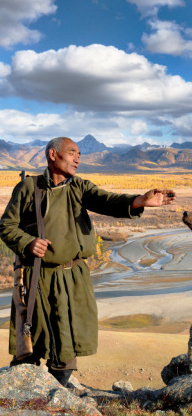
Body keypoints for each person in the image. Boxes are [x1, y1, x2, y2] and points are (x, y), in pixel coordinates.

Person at [0, 137, 176, 387]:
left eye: (79, 154)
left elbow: (108, 201)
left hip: (73, 278)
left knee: (66, 343)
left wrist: (139, 201)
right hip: (36, 276)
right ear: (53, 155)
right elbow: (6, 225)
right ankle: (25, 397)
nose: (78, 159)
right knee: (31, 343)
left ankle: (57, 395)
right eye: (72, 153)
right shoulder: (29, 188)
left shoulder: (79, 187)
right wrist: (27, 242)